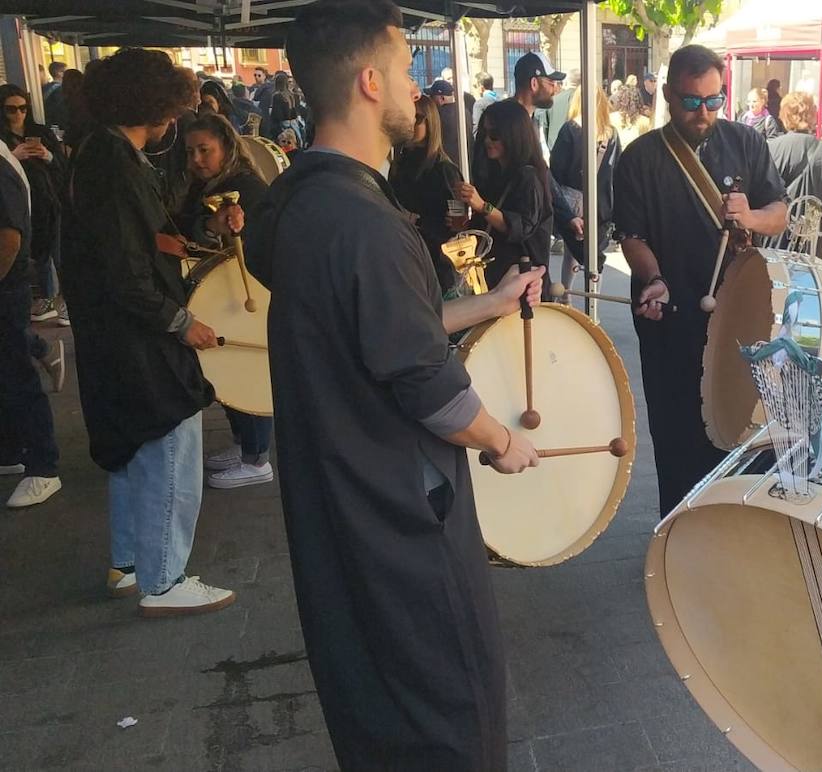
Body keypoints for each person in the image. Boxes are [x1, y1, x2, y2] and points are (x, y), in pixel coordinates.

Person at [242, 1, 545, 766]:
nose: (418, 88)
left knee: (377, 713)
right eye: (407, 69)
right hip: (399, 522)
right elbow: (427, 386)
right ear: (370, 82)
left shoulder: (299, 201)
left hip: (340, 511)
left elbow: (379, 327)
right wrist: (501, 440)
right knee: (449, 721)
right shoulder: (363, 221)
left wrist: (492, 302)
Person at [64, 48, 235, 614]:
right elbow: (127, 271)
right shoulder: (114, 163)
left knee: (133, 449)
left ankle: (129, 564)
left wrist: (205, 226)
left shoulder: (103, 152)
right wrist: (182, 324)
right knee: (170, 449)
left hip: (112, 336)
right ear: (154, 104)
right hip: (138, 338)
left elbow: (142, 239)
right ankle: (164, 580)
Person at [613, 44, 787, 516]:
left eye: (714, 100)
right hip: (669, 315)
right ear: (669, 95)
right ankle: (678, 530)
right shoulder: (640, 157)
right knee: (676, 433)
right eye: (692, 101)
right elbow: (632, 236)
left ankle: (728, 530)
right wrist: (652, 278)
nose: (704, 112)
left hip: (739, 314)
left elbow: (779, 212)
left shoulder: (746, 142)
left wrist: (750, 216)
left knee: (738, 428)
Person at [170, 114, 276, 489]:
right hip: (224, 293)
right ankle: (244, 444)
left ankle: (257, 458)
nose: (196, 159)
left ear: (226, 148)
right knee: (225, 367)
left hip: (244, 293)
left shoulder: (244, 187)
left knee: (243, 369)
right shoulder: (208, 184)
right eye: (190, 152)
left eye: (205, 150)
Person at [0, 134, 63, 509]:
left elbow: (9, 238)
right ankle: (11, 451)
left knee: (18, 378)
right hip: (9, 287)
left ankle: (43, 466)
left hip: (7, 289)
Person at [460, 99, 553, 288]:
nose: (487, 140)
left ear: (513, 135)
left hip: (521, 279)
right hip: (494, 276)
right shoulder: (494, 173)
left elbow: (521, 227)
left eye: (494, 135)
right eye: (484, 133)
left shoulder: (528, 175)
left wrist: (482, 206)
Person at [0, 85, 67, 327]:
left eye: (23, 108)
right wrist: (13, 157)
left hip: (49, 199)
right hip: (21, 205)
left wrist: (46, 155)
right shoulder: (3, 140)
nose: (18, 114)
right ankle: (47, 298)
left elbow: (61, 164)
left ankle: (64, 301)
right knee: (37, 254)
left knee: (58, 252)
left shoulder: (40, 132)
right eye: (11, 109)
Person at [391, 94, 463, 295]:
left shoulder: (444, 169)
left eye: (418, 118)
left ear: (430, 122)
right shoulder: (399, 164)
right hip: (404, 252)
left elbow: (459, 222)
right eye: (407, 116)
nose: (411, 123)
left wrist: (419, 220)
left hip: (436, 259)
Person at [550, 84, 618, 284]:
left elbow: (556, 168)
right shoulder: (611, 133)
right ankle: (595, 296)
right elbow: (616, 169)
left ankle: (566, 294)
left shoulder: (570, 128)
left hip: (572, 199)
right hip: (600, 201)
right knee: (594, 253)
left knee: (572, 250)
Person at [767, 91, 822, 211]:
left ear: (784, 114)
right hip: (812, 218)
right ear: (813, 114)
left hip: (781, 217)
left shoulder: (773, 147)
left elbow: (766, 188)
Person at [547, 67, 579, 145]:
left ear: (566, 82)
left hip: (555, 148)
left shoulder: (551, 102)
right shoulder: (589, 101)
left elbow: (542, 131)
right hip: (583, 149)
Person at [42, 61, 67, 130]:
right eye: (65, 71)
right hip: (57, 124)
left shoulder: (44, 88)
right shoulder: (61, 89)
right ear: (59, 73)